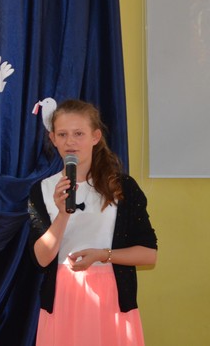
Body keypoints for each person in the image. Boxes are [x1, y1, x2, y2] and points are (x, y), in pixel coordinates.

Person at [28, 99, 158, 345]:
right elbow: (42, 259)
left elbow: (149, 254)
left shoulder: (122, 187)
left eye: (79, 133)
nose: (70, 141)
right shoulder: (42, 189)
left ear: (95, 137)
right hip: (63, 299)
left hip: (112, 298)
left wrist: (103, 255)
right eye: (62, 134)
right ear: (53, 138)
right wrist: (63, 214)